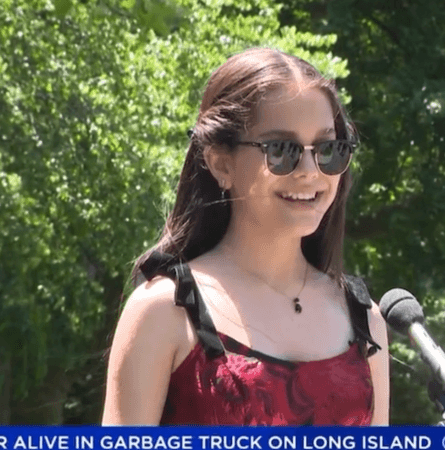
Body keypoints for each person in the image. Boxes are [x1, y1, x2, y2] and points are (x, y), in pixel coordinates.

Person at [102, 47, 389, 425]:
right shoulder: (163, 311)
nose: (310, 171)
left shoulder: (365, 320)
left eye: (328, 149)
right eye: (282, 150)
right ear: (221, 163)